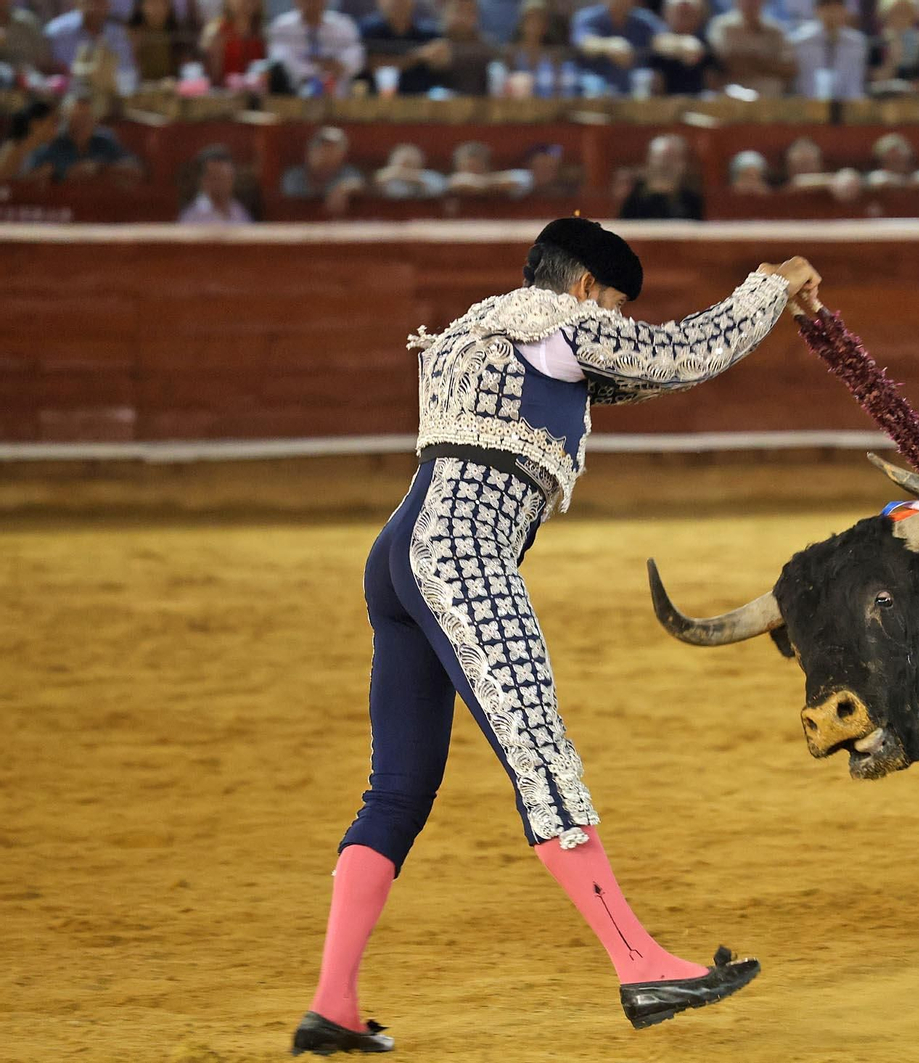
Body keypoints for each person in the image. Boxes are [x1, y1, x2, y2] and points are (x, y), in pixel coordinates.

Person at [287, 217, 819, 1054]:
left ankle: (333, 1004)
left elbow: (641, 378)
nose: (613, 319)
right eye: (610, 303)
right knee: (541, 756)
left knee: (395, 789)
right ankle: (640, 961)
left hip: (400, 551)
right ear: (582, 289)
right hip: (463, 552)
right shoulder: (560, 321)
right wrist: (771, 286)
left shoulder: (477, 327)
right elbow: (682, 353)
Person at [20, 89, 142, 183]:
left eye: (87, 118)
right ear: (66, 119)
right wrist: (61, 175)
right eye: (77, 118)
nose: (82, 124)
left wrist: (100, 168)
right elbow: (24, 181)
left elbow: (136, 171)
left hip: (98, 206)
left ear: (95, 120)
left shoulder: (104, 141)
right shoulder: (51, 143)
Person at [267, 0, 365, 95]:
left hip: (339, 97)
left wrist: (339, 66)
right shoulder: (281, 26)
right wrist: (319, 71)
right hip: (293, 96)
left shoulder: (344, 25)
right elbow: (280, 60)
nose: (311, 3)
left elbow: (356, 57)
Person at [571, 0, 664, 93]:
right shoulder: (587, 17)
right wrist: (608, 45)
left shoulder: (643, 18)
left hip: (631, 84)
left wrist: (675, 44)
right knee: (593, 84)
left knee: (650, 78)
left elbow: (663, 39)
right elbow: (585, 43)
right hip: (595, 83)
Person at [706, 0, 792, 97]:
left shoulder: (776, 30)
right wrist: (770, 65)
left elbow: (789, 67)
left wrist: (752, 61)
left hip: (771, 100)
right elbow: (726, 62)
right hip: (732, 101)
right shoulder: (722, 26)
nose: (750, 3)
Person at [359, 0, 445, 95]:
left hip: (422, 99)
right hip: (377, 101)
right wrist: (417, 56)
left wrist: (438, 54)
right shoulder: (367, 31)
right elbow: (370, 64)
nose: (398, 3)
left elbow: (441, 63)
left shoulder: (428, 33)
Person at [790, 0, 867, 98]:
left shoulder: (857, 43)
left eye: (837, 7)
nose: (832, 13)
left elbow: (855, 83)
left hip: (846, 105)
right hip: (808, 104)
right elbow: (800, 84)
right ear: (816, 10)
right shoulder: (800, 42)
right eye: (827, 7)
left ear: (845, 10)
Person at [281, 125, 366, 214]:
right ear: (309, 152)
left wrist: (344, 189)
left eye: (333, 152)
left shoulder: (347, 173)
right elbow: (291, 204)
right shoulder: (294, 176)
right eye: (322, 150)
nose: (326, 157)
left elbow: (360, 185)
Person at [618, 132, 703, 218]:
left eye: (673, 158)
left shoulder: (691, 201)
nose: (666, 165)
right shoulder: (632, 197)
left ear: (684, 164)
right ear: (648, 161)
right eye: (661, 158)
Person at [649, 0, 717, 95]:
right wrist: (681, 44)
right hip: (664, 104)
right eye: (680, 13)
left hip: (698, 103)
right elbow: (658, 42)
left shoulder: (706, 42)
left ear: (700, 16)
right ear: (666, 14)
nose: (684, 17)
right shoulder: (656, 36)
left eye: (688, 13)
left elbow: (712, 83)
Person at [179, 143, 253, 223]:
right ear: (203, 180)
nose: (224, 183)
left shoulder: (239, 211)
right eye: (217, 177)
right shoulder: (191, 217)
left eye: (228, 177)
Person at [199, 0, 266, 84]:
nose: (245, 2)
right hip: (223, 95)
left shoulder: (262, 34)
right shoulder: (216, 32)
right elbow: (212, 78)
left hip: (257, 95)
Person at [373, 142, 447, 197]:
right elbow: (375, 183)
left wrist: (407, 175)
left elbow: (440, 188)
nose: (405, 165)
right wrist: (395, 172)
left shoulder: (430, 176)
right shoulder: (388, 175)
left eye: (409, 162)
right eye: (403, 162)